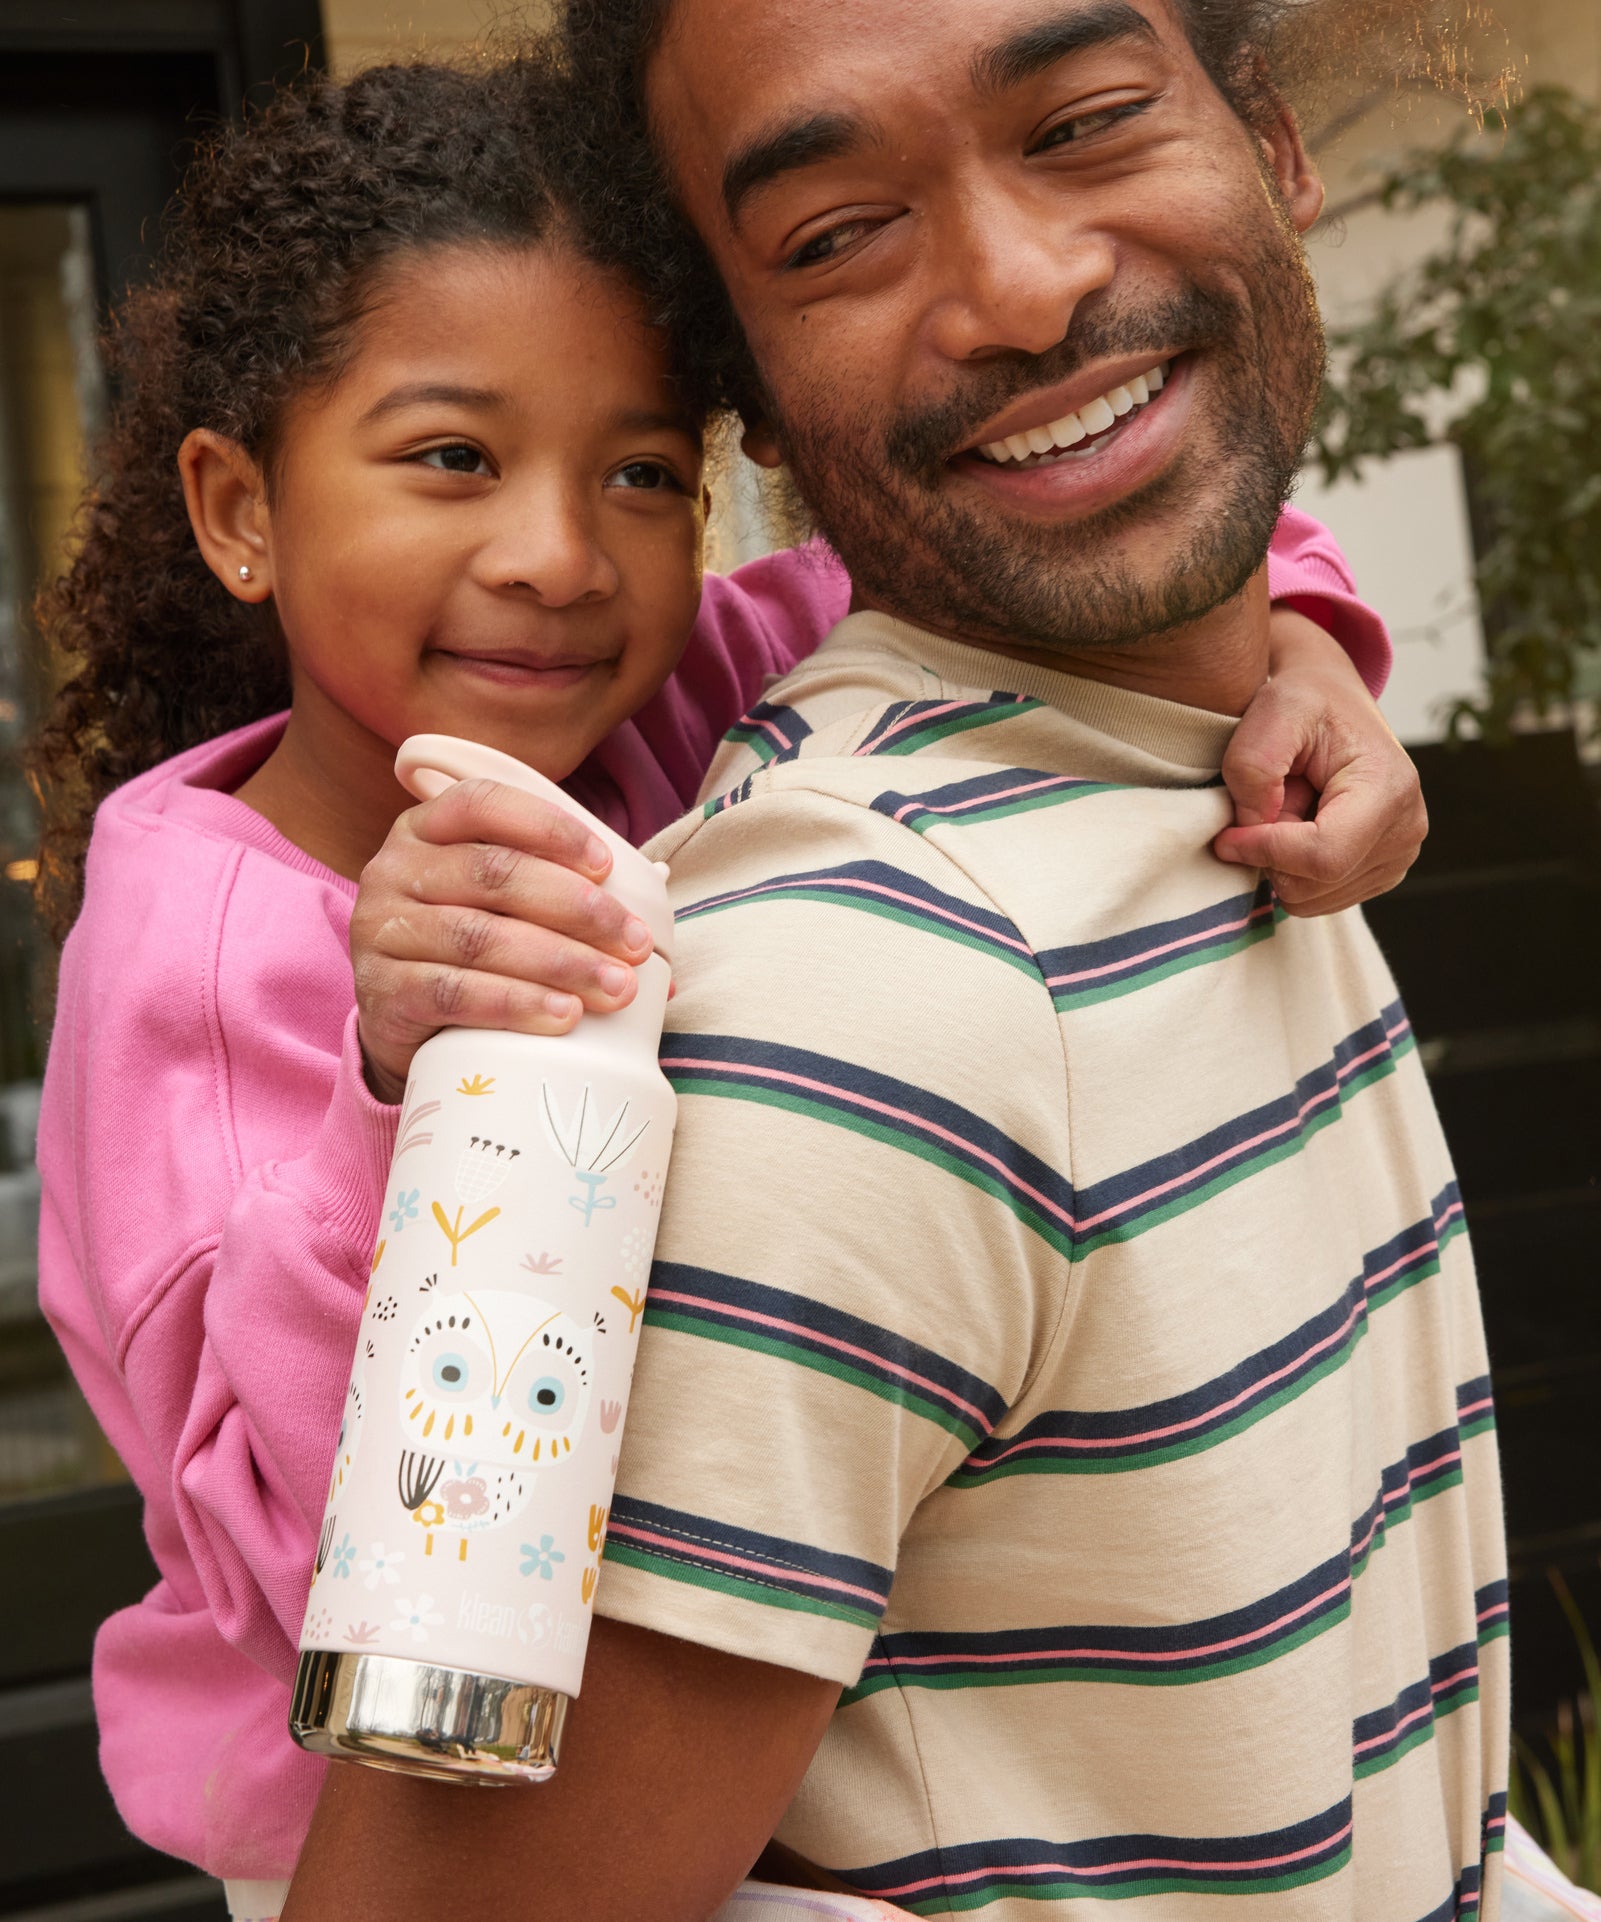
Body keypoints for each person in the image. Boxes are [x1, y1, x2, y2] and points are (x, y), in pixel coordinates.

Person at [30, 46, 1411, 1922]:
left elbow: (1080, 554)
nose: (553, 556)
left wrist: (1312, 648)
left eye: (641, 473)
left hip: (727, 1730)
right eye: (451, 456)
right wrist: (398, 1073)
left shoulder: (672, 681)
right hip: (385, 1809)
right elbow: (298, 1532)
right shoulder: (196, 958)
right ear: (237, 507)